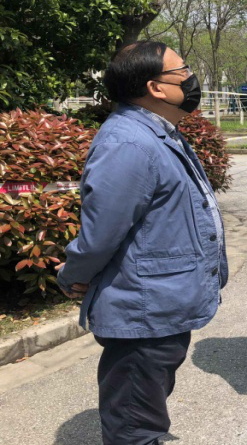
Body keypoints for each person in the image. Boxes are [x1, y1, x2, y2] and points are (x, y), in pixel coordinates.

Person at [57, 41, 228, 445]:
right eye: (182, 71)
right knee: (135, 428)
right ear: (155, 87)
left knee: (145, 411)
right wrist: (73, 274)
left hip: (162, 304)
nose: (191, 78)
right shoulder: (129, 144)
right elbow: (100, 235)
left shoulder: (157, 132)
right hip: (143, 312)